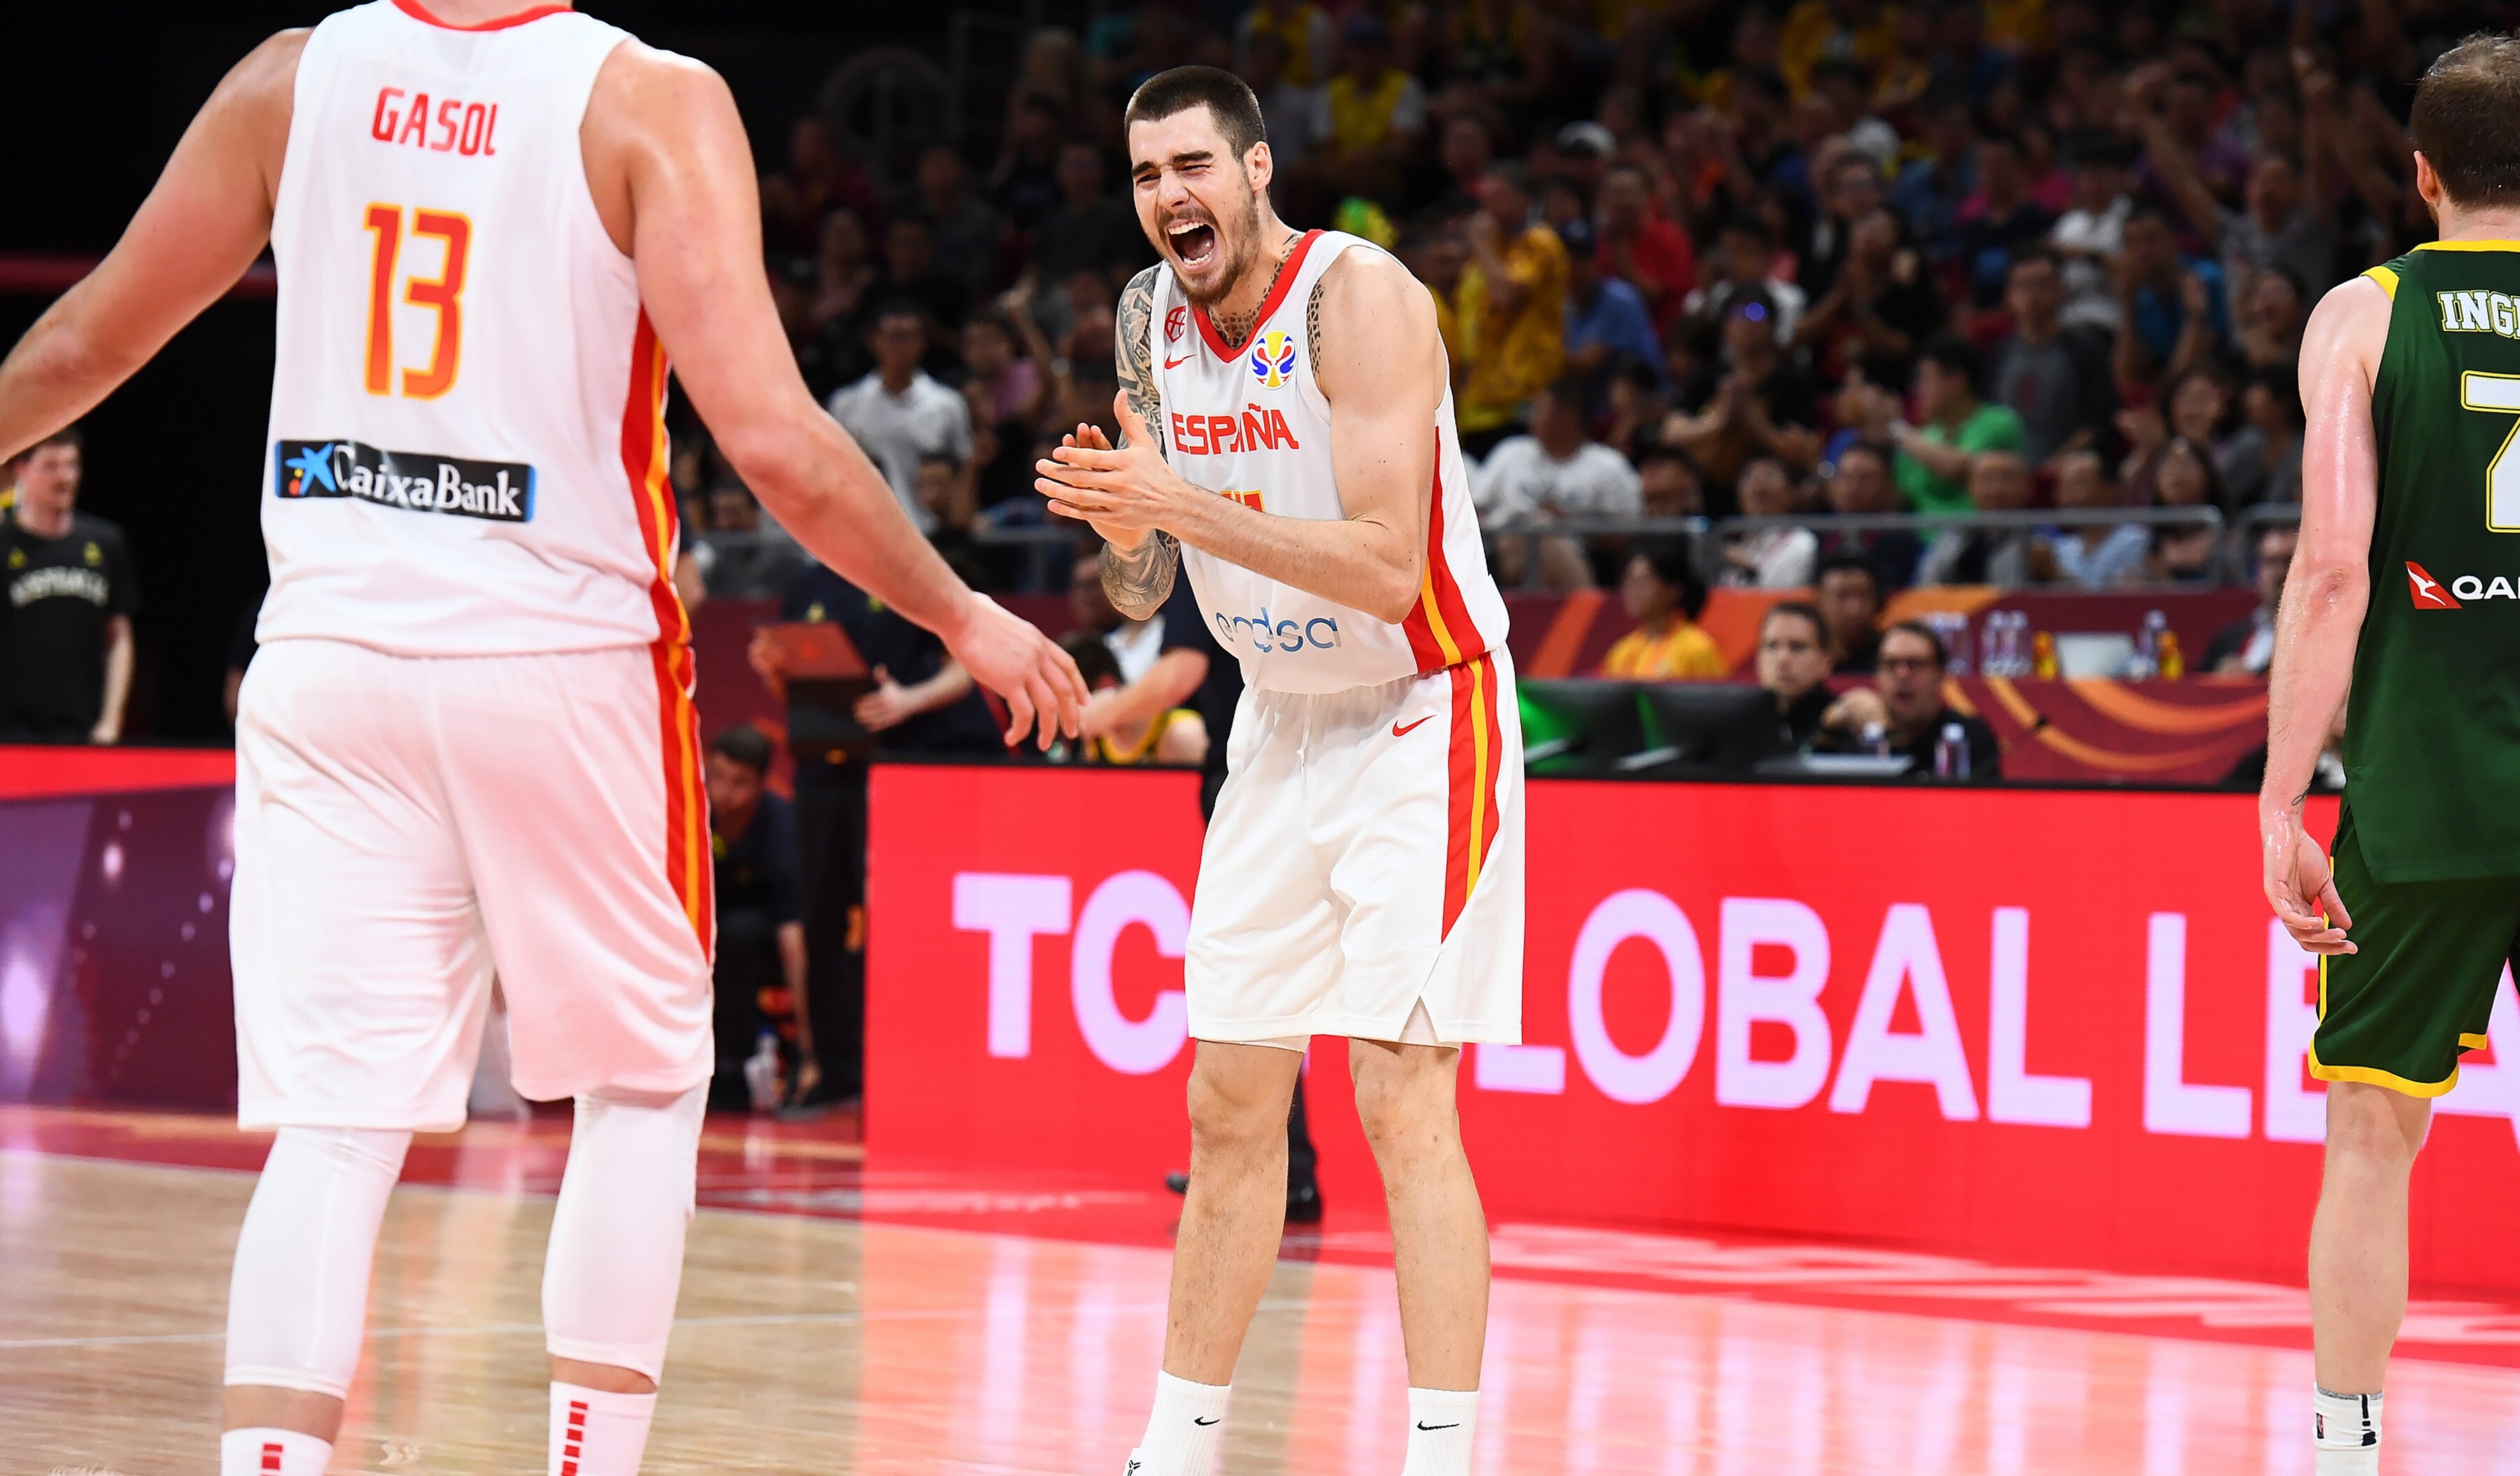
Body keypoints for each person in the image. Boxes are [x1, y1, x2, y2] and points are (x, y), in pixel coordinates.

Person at [0, 7, 1086, 1475]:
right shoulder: (645, 96)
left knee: (333, 1131)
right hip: (558, 654)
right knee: (641, 1083)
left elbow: (87, 338)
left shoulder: (288, 78)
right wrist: (963, 613)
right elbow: (770, 440)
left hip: (328, 658)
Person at [1033, 67, 1519, 1476]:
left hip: (1423, 708)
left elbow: (1382, 557)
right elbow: (1144, 590)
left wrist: (1181, 499)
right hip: (1279, 718)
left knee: (1395, 1093)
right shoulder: (1146, 316)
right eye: (1143, 177)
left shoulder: (1356, 300)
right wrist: (1128, 514)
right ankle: (1174, 1448)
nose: (1169, 197)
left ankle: (1443, 1455)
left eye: (1192, 166)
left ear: (1254, 169)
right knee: (1228, 1098)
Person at [2261, 37, 2520, 1476]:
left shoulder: (2363, 317)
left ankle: (2348, 1452)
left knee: (2372, 1131)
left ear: (2420, 175)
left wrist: (2283, 793)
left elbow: (2336, 569)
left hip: (2425, 784)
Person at [701, 724, 813, 1111]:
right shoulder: (689, 814)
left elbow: (792, 935)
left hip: (762, 939)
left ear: (762, 784)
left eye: (740, 783)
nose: (723, 792)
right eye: (714, 776)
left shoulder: (780, 827)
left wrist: (808, 1047)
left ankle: (733, 1067)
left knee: (735, 935)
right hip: (698, 934)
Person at [0, 426, 136, 743]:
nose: (66, 477)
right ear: (21, 471)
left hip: (86, 733)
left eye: (72, 465)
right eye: (51, 466)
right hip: (11, 734)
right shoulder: (3, 545)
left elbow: (120, 638)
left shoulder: (105, 543)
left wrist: (111, 721)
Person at [1472, 377, 1642, 588]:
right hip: (1505, 552)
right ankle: (1584, 609)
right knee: (1530, 534)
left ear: (1568, 416)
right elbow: (1475, 509)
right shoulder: (1511, 453)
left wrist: (1568, 522)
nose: (1533, 418)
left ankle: (1582, 608)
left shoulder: (1609, 466)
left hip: (1582, 555)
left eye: (1540, 409)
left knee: (1545, 535)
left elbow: (1627, 536)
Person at [826, 302, 976, 533]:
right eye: (893, 337)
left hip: (933, 534)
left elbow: (963, 468)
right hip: (867, 530)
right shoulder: (846, 403)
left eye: (909, 337)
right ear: (874, 340)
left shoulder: (947, 403)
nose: (901, 346)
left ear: (922, 342)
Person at [1453, 162, 1569, 453]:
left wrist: (1481, 244)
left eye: (1500, 196)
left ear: (1525, 198)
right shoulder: (1490, 250)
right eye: (1486, 198)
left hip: (1521, 397)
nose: (1490, 207)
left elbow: (1508, 294)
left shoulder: (1539, 242)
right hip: (1479, 397)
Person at [1821, 620, 2002, 777]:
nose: (1902, 675)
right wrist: (1827, 727)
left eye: (1914, 664)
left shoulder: (1969, 737)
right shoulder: (1857, 730)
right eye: (1891, 664)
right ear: (1877, 675)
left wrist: (1886, 731)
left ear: (1940, 675)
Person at [1890, 335, 2027, 515]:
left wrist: (1896, 428)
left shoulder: (1999, 422)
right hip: (1921, 539)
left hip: (1978, 535)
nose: (1919, 390)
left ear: (1957, 381)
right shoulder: (1926, 436)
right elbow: (1899, 496)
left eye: (1926, 379)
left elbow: (1958, 468)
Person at [1597, 541, 1727, 680]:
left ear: (1673, 590)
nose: (1633, 590)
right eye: (1630, 579)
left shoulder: (1696, 649)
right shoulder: (1621, 651)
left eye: (1645, 581)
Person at [2204, 522, 2296, 674]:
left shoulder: (2315, 641)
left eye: (2288, 562)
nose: (2280, 573)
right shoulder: (2228, 639)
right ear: (2257, 572)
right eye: (2270, 562)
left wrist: (2250, 678)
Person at [1814, 551, 1884, 673]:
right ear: (1820, 600)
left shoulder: (1890, 655)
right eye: (1842, 596)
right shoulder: (1803, 653)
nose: (1854, 609)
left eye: (1863, 595)